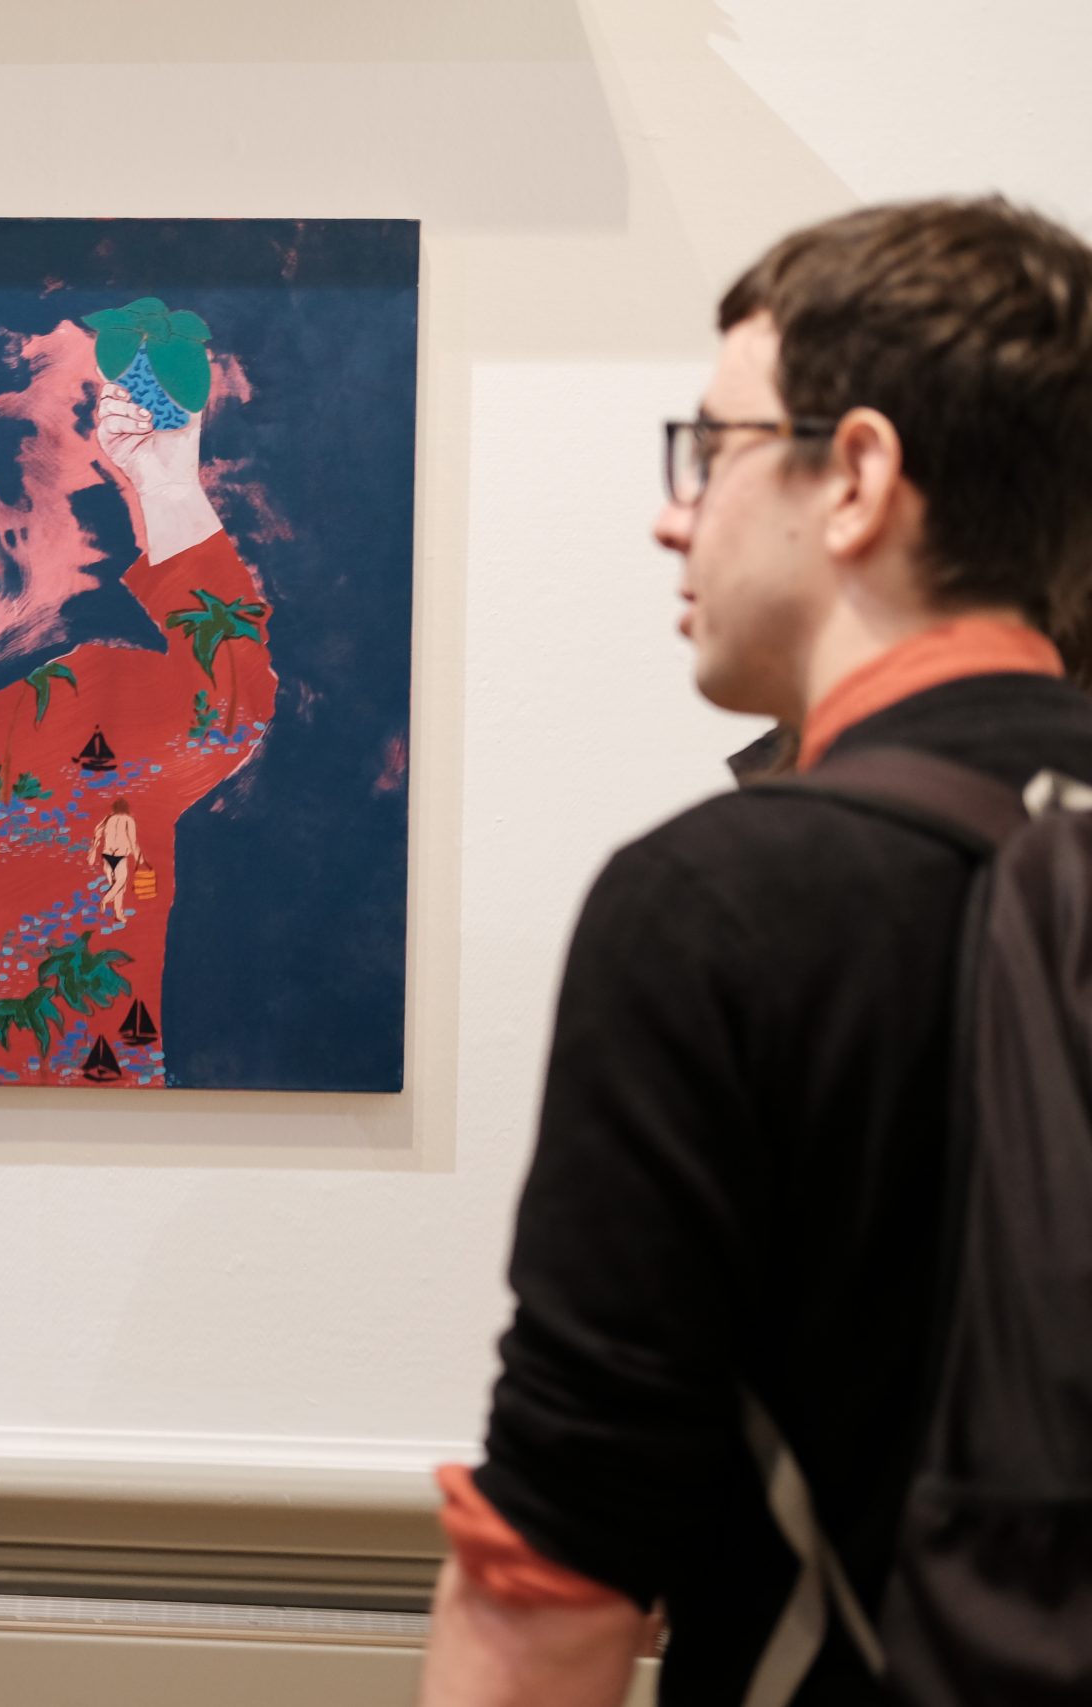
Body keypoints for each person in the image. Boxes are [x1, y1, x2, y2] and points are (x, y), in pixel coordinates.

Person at [420, 197, 1092, 1705]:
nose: (677, 511)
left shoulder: (725, 902)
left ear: (855, 475)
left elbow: (556, 1575)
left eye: (709, 449)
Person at [88, 798, 141, 923]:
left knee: (117, 887)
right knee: (121, 882)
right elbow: (133, 842)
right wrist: (140, 858)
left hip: (107, 856)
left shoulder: (108, 819)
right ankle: (106, 899)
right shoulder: (129, 820)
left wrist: (93, 852)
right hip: (120, 856)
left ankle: (118, 914)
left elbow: (97, 835)